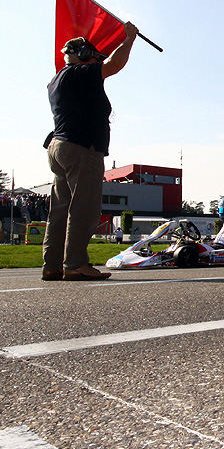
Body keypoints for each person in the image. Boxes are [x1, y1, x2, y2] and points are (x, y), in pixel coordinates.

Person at [42, 23, 139, 281]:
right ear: (84, 54)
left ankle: (52, 265)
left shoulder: (56, 80)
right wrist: (129, 39)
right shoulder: (79, 73)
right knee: (84, 208)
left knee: (60, 210)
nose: (98, 61)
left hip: (60, 146)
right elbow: (114, 65)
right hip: (82, 148)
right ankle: (75, 264)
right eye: (96, 57)